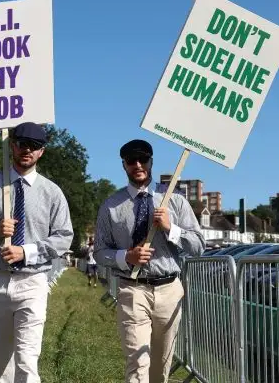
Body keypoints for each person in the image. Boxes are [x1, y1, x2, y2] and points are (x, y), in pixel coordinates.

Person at [0, 122, 73, 382]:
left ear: (42, 152)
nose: (27, 150)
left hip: (32, 283)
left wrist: (27, 252)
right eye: (22, 144)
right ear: (12, 145)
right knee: (3, 365)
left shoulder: (52, 192)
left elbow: (64, 237)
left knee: (27, 360)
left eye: (34, 146)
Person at [94, 139, 205, 383]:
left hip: (168, 290)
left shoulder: (174, 200)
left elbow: (198, 246)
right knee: (137, 361)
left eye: (142, 160)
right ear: (123, 165)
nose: (137, 165)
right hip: (132, 289)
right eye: (131, 161)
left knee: (160, 366)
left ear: (151, 162)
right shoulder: (111, 206)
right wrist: (126, 256)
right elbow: (100, 252)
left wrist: (170, 228)